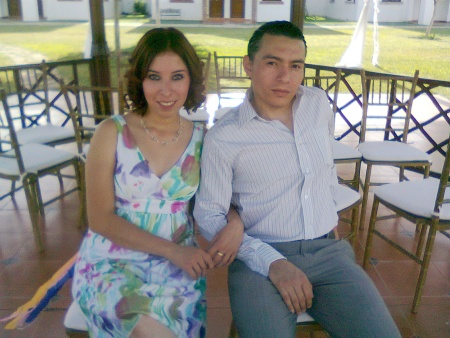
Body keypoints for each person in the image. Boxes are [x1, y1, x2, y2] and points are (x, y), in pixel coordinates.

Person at [194, 21, 401, 337]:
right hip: (259, 261)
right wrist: (271, 261)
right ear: (249, 65)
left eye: (295, 65)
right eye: (272, 63)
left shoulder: (318, 105)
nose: (284, 77)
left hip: (328, 253)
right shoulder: (226, 137)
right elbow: (208, 215)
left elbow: (321, 171)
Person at [71, 27, 243, 338]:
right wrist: (174, 252)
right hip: (111, 262)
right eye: (154, 77)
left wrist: (236, 223)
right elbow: (99, 218)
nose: (166, 90)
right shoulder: (111, 132)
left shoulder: (205, 140)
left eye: (177, 77)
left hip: (176, 270)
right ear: (140, 79)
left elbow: (221, 198)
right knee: (149, 330)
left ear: (191, 79)